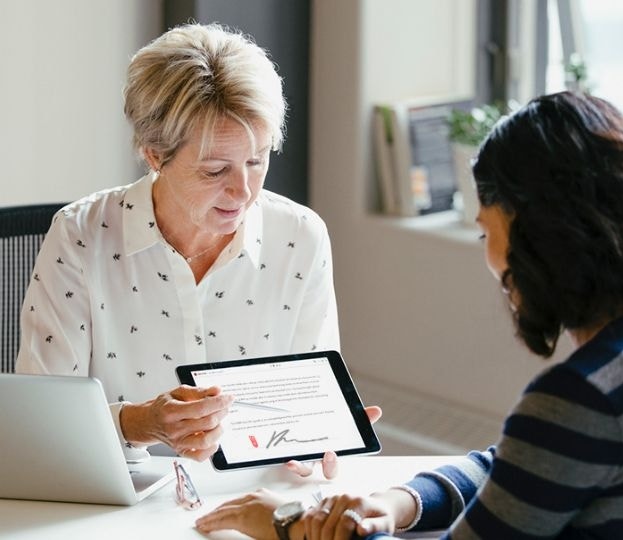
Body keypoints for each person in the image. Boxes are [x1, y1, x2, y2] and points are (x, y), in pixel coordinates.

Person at [195, 91, 623, 538]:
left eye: (486, 232)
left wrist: (289, 523)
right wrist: (401, 501)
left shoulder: (585, 399)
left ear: (538, 238)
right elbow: (520, 467)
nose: (491, 262)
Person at [15, 22, 379, 476]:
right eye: (214, 171)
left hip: (250, 498)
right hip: (117, 498)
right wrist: (139, 423)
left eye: (256, 159)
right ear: (153, 155)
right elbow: (41, 424)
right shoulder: (80, 237)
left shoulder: (300, 237)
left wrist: (323, 434)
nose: (243, 191)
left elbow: (303, 416)